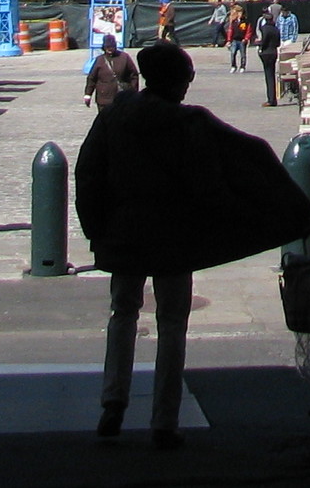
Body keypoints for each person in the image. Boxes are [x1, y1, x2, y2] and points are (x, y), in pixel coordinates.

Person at [74, 43, 200, 450]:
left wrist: (96, 228)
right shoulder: (186, 123)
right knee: (173, 323)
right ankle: (165, 418)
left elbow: (88, 172)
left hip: (125, 231)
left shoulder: (114, 117)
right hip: (172, 235)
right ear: (176, 82)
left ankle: (113, 401)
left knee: (123, 313)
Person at [84, 35, 141, 110]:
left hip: (122, 98)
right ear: (104, 47)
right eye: (107, 47)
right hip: (104, 99)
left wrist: (133, 91)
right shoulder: (99, 60)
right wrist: (88, 95)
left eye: (112, 47)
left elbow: (133, 75)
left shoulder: (124, 57)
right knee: (105, 120)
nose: (110, 49)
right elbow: (92, 78)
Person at [255, 1, 283, 106]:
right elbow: (278, 43)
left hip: (266, 52)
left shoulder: (264, 29)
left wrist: (259, 45)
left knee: (268, 76)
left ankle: (270, 99)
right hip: (274, 52)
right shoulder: (276, 29)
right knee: (272, 75)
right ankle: (273, 98)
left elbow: (263, 41)